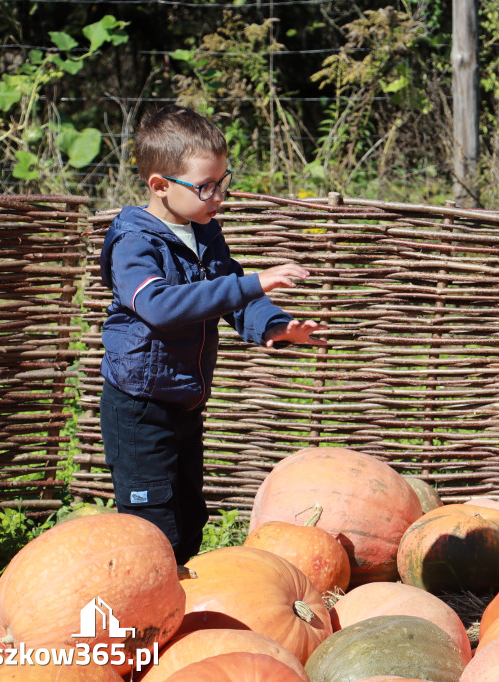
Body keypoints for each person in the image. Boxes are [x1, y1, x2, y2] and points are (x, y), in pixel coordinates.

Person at [99, 105, 326, 564]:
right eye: (205, 187)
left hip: (183, 399)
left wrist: (276, 326)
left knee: (190, 516)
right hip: (139, 407)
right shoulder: (134, 243)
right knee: (153, 526)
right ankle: (145, 615)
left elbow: (233, 295)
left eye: (222, 182)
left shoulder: (204, 232)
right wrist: (253, 282)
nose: (218, 196)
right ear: (160, 186)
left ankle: (189, 613)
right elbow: (159, 306)